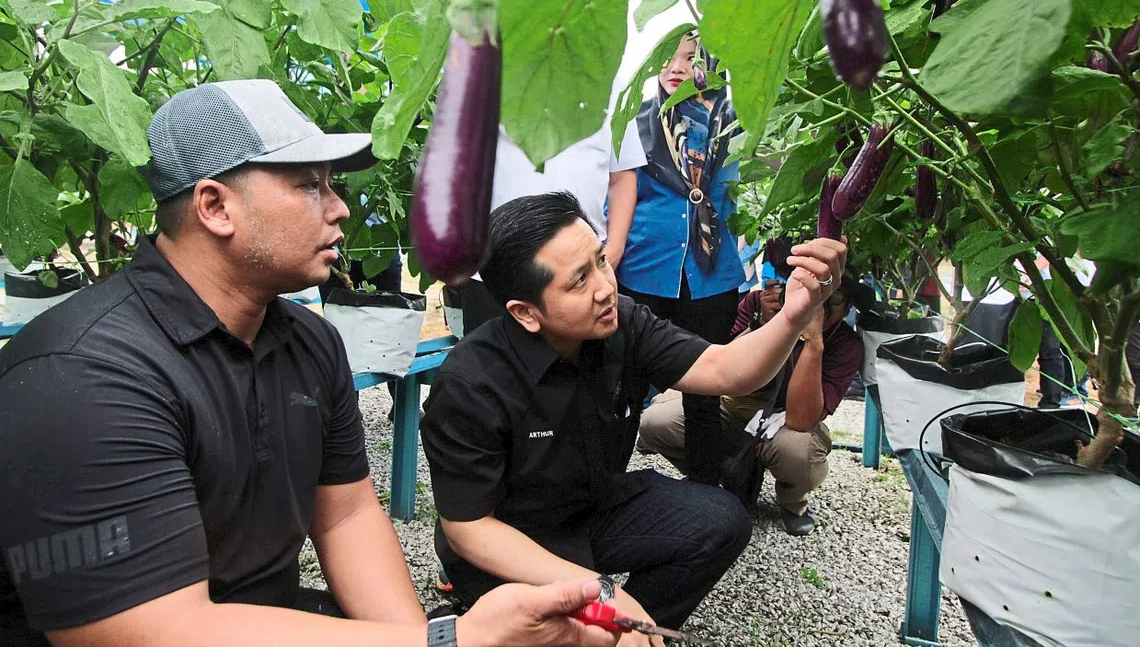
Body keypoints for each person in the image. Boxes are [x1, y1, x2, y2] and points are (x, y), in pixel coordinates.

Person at [0, 80, 619, 647]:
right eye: (309, 185)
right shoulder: (83, 376)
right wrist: (445, 641)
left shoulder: (307, 342)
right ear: (215, 207)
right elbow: (155, 631)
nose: (340, 207)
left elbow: (347, 515)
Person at [420, 191, 846, 637]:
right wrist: (600, 591)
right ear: (526, 313)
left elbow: (724, 369)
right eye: (578, 280)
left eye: (601, 261)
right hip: (509, 542)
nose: (606, 287)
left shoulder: (621, 323)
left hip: (591, 509)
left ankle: (631, 634)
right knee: (546, 627)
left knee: (719, 521)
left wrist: (796, 315)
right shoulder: (472, 383)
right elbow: (469, 529)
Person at [616, 32, 745, 485]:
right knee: (625, 387)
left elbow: (740, 196)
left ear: (709, 66)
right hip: (643, 270)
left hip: (711, 277)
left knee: (705, 394)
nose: (676, 68)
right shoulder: (637, 121)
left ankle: (706, 494)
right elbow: (619, 193)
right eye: (667, 59)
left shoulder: (733, 124)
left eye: (689, 59)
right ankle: (606, 486)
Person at [640, 277, 863, 536]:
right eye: (809, 293)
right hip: (731, 406)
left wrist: (813, 342)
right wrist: (764, 326)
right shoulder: (758, 304)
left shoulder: (847, 345)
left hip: (783, 423)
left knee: (799, 453)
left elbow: (802, 420)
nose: (818, 304)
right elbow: (718, 368)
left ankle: (793, 502)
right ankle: (713, 473)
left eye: (832, 299)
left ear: (848, 308)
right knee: (655, 422)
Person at [456, 123, 646, 334]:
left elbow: (621, 176)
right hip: (494, 269)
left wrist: (612, 252)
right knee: (493, 359)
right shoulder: (483, 89)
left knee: (590, 361)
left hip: (586, 268)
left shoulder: (618, 89)